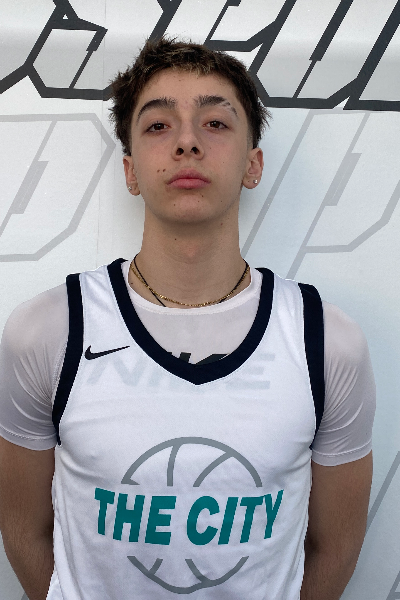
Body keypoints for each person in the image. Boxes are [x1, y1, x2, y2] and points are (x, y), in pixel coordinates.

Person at [0, 37, 375, 600]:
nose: (187, 142)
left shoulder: (326, 341)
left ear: (253, 164)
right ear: (130, 172)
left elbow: (334, 547)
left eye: (215, 123)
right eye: (158, 125)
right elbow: (23, 528)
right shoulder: (47, 331)